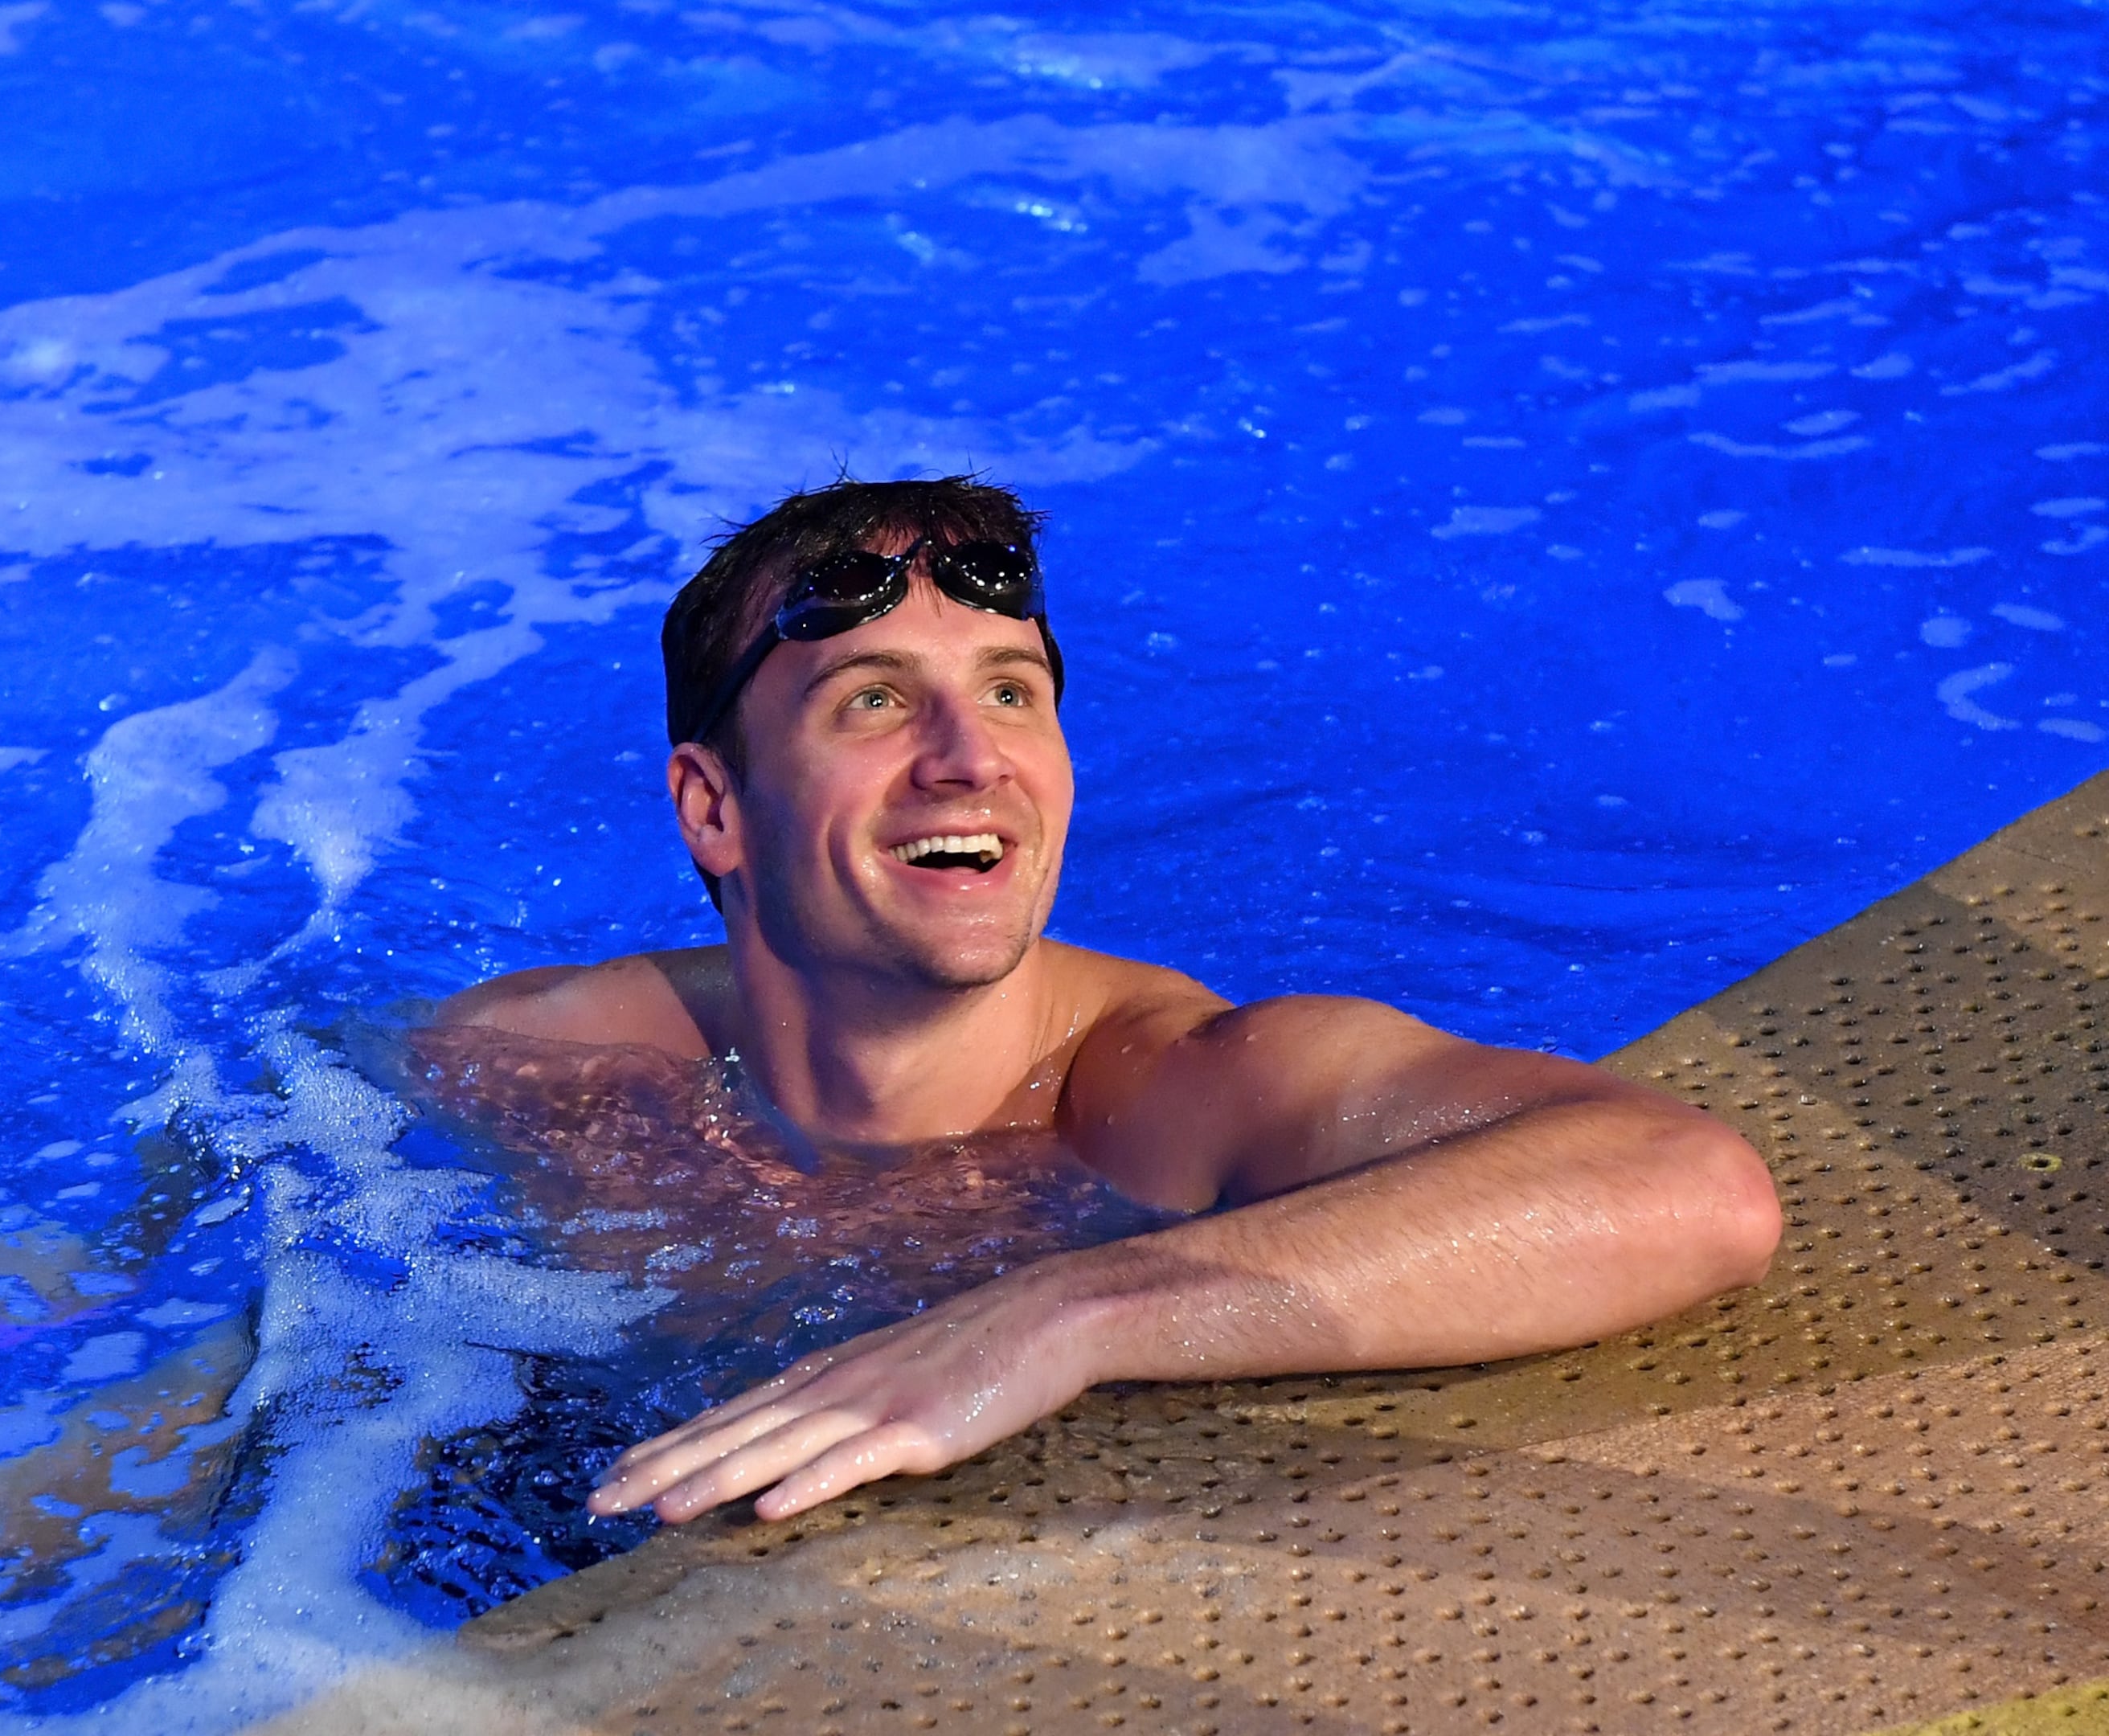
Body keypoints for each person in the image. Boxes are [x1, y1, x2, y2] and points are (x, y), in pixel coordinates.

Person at [428, 476, 1783, 1529]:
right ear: (714, 810)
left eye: (1011, 694)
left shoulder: (1170, 1094)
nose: (970, 762)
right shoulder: (539, 1071)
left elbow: (1686, 1187)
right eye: (875, 701)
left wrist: (1060, 1317)